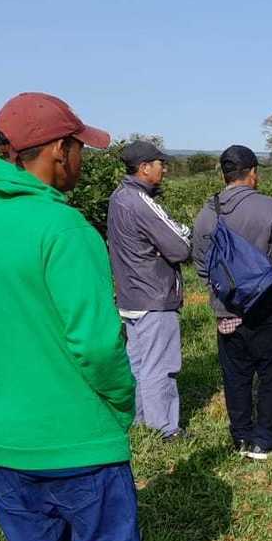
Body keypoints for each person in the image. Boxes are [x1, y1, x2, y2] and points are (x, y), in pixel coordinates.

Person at [0, 92, 141, 541]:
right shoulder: (65, 231)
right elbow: (98, 345)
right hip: (81, 442)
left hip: (6, 444)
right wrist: (121, 403)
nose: (81, 159)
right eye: (79, 147)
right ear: (58, 149)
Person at [192, 145, 272, 459]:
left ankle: (240, 437)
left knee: (235, 375)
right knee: (271, 374)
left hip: (227, 311)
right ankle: (267, 440)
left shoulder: (208, 211)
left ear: (225, 175)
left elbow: (200, 263)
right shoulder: (271, 207)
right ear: (252, 173)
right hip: (267, 307)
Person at [107, 140, 191, 441]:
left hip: (131, 295)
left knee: (140, 364)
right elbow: (179, 247)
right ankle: (165, 430)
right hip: (153, 295)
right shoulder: (140, 201)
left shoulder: (118, 198)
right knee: (161, 366)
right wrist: (185, 234)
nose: (164, 168)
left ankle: (143, 424)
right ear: (144, 168)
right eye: (159, 164)